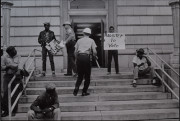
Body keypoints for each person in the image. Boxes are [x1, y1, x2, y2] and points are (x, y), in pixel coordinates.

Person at [73, 28, 97, 96]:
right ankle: (84, 91)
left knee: (80, 76)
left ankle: (76, 88)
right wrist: (95, 56)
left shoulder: (79, 40)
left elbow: (75, 52)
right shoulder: (91, 40)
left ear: (83, 33)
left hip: (80, 57)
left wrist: (77, 59)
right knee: (87, 76)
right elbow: (94, 51)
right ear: (89, 34)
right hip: (87, 57)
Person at [1, 46, 23, 117]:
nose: (14, 53)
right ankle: (6, 111)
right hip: (8, 77)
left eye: (14, 51)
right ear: (9, 53)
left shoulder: (18, 56)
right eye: (12, 52)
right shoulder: (4, 57)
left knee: (14, 94)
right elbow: (2, 67)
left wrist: (18, 69)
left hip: (16, 77)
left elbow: (20, 66)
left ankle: (13, 110)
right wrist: (8, 66)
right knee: (6, 94)